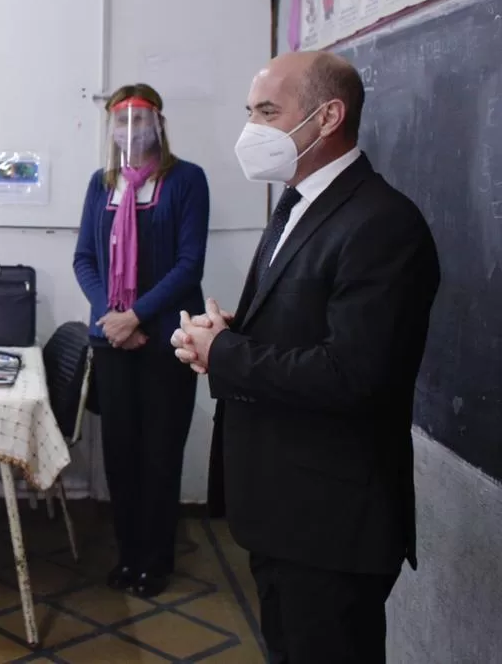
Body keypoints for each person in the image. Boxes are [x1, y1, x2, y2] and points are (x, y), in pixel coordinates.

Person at [172, 52, 440, 664]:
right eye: (250, 113)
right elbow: (306, 323)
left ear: (328, 117)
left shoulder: (381, 222)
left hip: (332, 521)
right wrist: (232, 333)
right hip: (283, 508)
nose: (252, 130)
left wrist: (227, 354)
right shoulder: (297, 202)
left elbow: (355, 373)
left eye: (268, 112)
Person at [73, 84, 210, 598]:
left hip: (166, 341)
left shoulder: (186, 181)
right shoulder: (99, 184)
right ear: (109, 128)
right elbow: (85, 259)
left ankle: (156, 561)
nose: (130, 130)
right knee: (121, 455)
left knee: (160, 454)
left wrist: (136, 316)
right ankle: (128, 556)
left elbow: (188, 264)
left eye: (139, 119)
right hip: (111, 341)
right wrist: (112, 318)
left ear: (159, 123)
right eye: (120, 121)